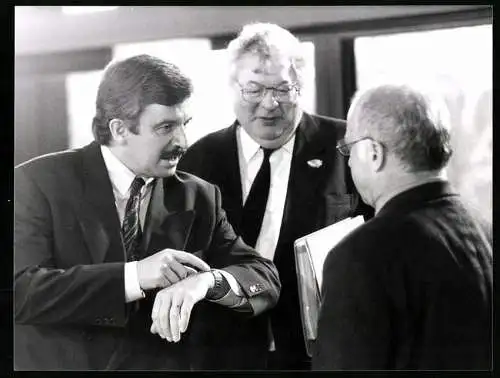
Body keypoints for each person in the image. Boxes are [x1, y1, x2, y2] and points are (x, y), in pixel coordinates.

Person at [14, 54, 280, 370]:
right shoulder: (35, 183)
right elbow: (20, 290)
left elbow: (263, 276)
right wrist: (136, 275)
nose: (182, 141)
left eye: (185, 124)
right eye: (166, 127)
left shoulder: (198, 196)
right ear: (119, 129)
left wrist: (208, 282)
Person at [178, 23, 371, 370]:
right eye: (254, 90)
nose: (269, 105)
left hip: (318, 352)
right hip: (222, 353)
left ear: (302, 87)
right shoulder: (198, 159)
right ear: (232, 88)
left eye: (284, 89)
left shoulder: (344, 144)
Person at [312, 83, 492, 370]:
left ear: (373, 153)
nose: (347, 164)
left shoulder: (361, 255)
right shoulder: (485, 230)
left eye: (347, 149)